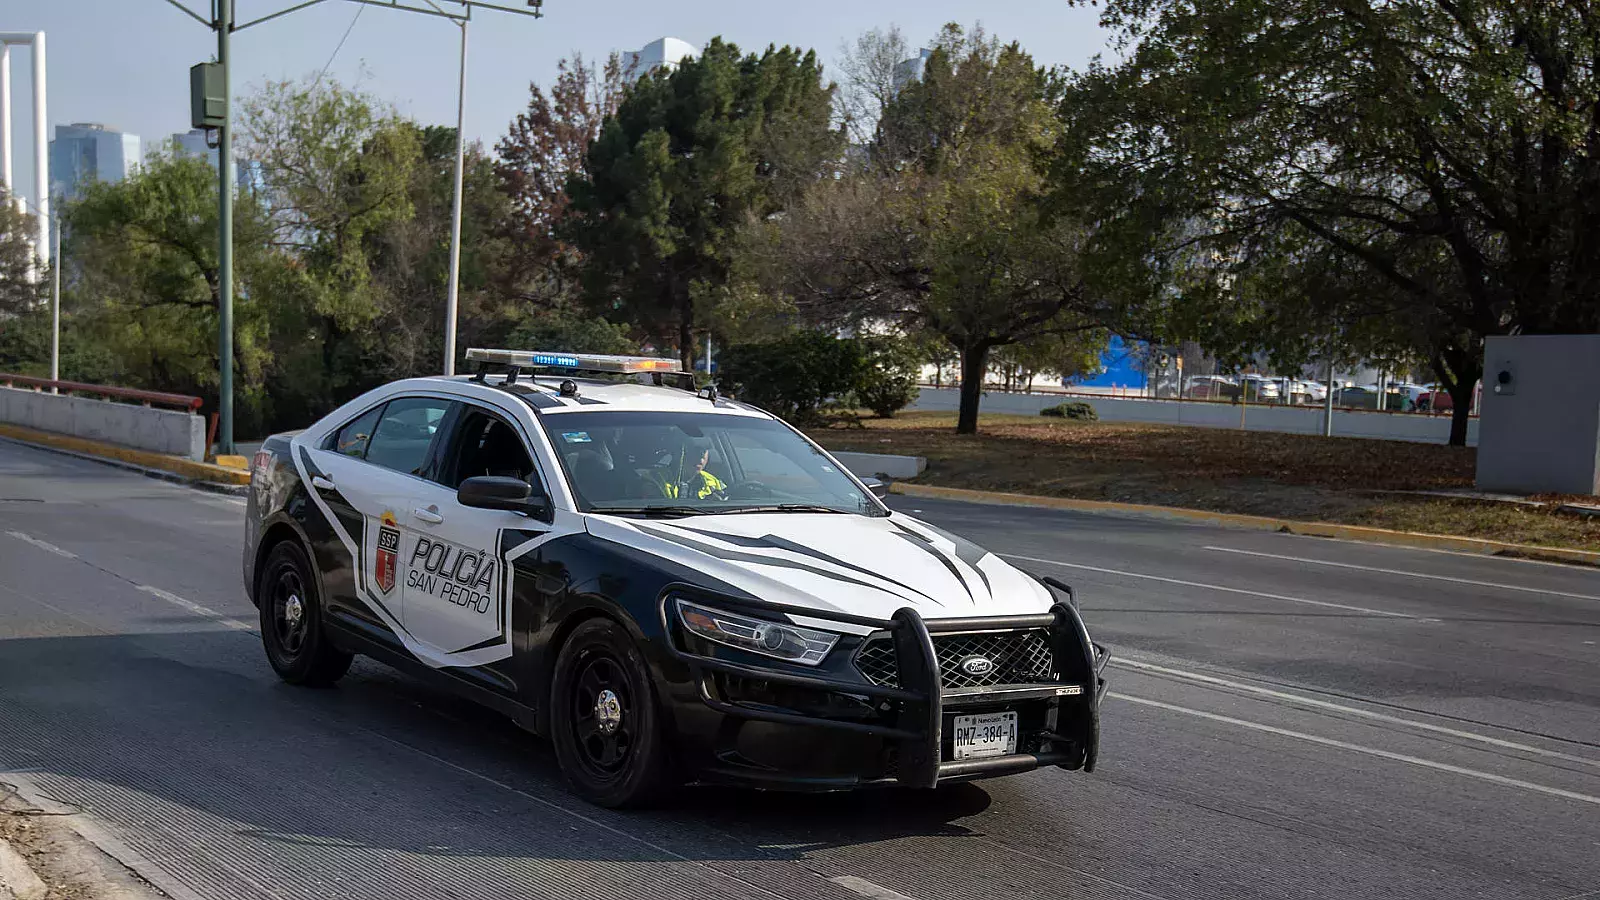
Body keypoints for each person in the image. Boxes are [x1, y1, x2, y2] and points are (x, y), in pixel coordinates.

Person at [649, 441, 727, 500]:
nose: (700, 460)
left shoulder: (713, 482)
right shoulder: (656, 478)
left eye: (703, 452)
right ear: (679, 453)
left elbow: (729, 499)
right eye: (695, 451)